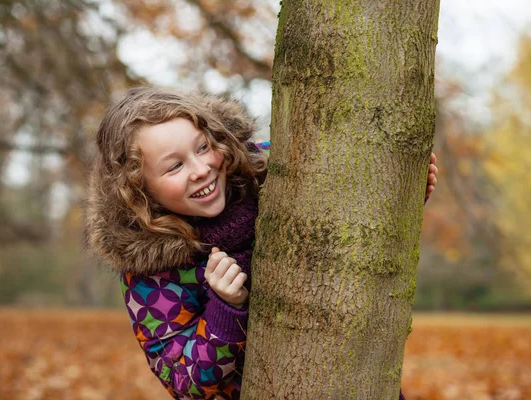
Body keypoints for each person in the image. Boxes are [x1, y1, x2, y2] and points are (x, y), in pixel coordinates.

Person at [84, 86, 438, 400]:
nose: (201, 168)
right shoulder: (151, 273)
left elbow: (340, 216)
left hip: (347, 375)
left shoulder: (268, 167)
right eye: (174, 167)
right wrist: (225, 308)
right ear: (140, 191)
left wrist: (396, 201)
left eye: (203, 147)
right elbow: (183, 382)